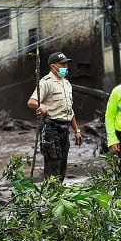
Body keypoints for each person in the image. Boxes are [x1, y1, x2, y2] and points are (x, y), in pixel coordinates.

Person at [27, 51, 83, 180]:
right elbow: (32, 102)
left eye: (66, 65)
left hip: (65, 129)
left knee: (63, 165)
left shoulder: (66, 84)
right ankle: (52, 197)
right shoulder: (45, 82)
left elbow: (69, 110)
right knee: (53, 166)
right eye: (62, 65)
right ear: (53, 66)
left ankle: (60, 197)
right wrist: (41, 106)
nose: (66, 67)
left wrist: (77, 130)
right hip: (51, 128)